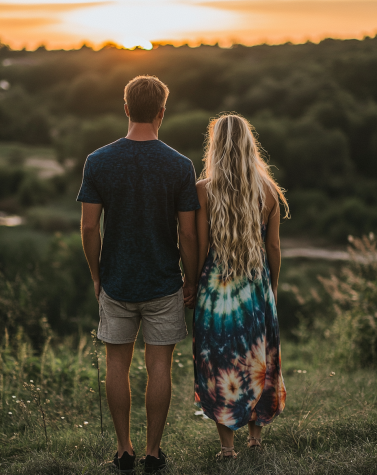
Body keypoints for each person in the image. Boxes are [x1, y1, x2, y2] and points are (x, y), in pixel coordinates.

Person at [77, 75, 200, 474]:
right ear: (162, 111)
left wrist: (97, 275)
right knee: (159, 366)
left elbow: (89, 228)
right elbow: (187, 232)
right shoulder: (180, 165)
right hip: (164, 283)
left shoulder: (98, 161)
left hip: (116, 281)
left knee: (118, 365)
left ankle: (123, 449)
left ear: (126, 107)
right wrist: (191, 278)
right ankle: (152, 452)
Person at [193, 114, 289, 459]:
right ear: (250, 144)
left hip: (217, 289)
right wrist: (272, 288)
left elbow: (202, 247)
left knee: (221, 364)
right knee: (257, 360)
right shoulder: (268, 191)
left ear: (215, 145)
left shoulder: (204, 190)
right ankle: (255, 439)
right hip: (256, 288)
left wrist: (192, 286)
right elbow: (274, 248)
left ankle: (226, 447)